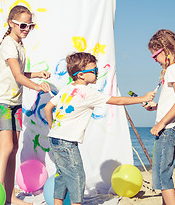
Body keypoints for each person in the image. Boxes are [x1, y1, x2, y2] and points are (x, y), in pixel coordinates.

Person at [44, 52, 156, 205]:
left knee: (62, 175)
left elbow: (48, 107)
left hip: (54, 138)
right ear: (81, 75)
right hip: (67, 143)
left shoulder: (67, 88)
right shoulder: (88, 93)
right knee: (77, 176)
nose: (97, 73)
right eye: (94, 70)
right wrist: (142, 98)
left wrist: (52, 128)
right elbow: (117, 100)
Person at [0, 5, 51, 205]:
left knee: (14, 148)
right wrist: (37, 87)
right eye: (23, 25)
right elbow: (17, 76)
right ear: (11, 23)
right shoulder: (8, 44)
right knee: (6, 147)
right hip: (1, 102)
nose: (26, 29)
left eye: (30, 25)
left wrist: (37, 74)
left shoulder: (19, 45)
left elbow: (18, 74)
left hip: (15, 102)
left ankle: (9, 197)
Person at [143, 29, 175, 205]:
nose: (155, 60)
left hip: (169, 129)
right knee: (164, 174)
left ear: (165, 50)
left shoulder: (173, 70)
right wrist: (157, 107)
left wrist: (161, 123)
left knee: (163, 177)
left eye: (155, 56)